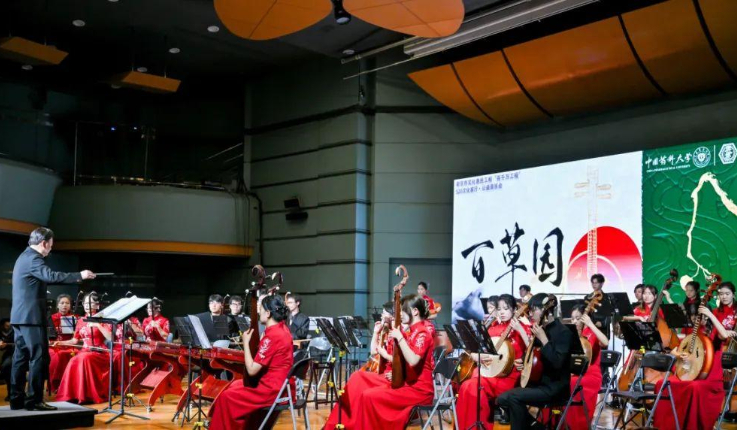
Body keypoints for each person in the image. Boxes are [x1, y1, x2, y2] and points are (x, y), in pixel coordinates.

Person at [9, 227, 95, 411]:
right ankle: (34, 400)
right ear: (44, 243)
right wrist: (79, 275)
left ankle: (16, 400)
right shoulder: (34, 258)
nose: (51, 248)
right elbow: (50, 276)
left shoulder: (23, 256)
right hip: (31, 318)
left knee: (20, 358)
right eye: (51, 245)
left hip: (20, 317)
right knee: (39, 357)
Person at [324, 294, 435, 430]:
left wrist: (400, 338)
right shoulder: (412, 332)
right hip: (406, 383)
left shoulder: (423, 333)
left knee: (368, 396)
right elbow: (402, 362)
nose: (400, 314)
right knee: (358, 380)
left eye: (403, 311)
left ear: (415, 311)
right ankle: (346, 423)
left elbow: (412, 361)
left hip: (419, 390)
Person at [207, 294, 294, 430]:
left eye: (261, 309)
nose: (258, 313)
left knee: (226, 396)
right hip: (283, 386)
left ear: (268, 313)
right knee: (234, 384)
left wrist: (246, 343)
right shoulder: (283, 328)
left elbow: (252, 370)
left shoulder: (273, 335)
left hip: (272, 389)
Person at [497, 293, 573, 430]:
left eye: (533, 310)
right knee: (501, 399)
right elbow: (534, 356)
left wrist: (544, 340)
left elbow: (558, 363)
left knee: (513, 398)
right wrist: (523, 362)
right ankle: (537, 427)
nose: (530, 314)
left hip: (554, 387)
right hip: (538, 383)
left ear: (545, 310)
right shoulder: (540, 329)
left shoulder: (563, 332)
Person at [456, 294, 530, 428]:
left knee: (472, 387)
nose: (502, 312)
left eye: (506, 309)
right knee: (467, 386)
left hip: (507, 376)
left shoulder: (523, 328)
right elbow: (477, 350)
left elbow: (533, 351)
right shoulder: (493, 328)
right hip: (489, 372)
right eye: (499, 309)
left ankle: (479, 426)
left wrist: (520, 330)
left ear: (515, 310)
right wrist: (476, 356)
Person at [55, 292, 121, 404]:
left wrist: (98, 325)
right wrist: (60, 342)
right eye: (85, 303)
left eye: (90, 303)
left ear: (97, 305)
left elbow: (110, 337)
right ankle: (72, 395)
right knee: (73, 360)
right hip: (85, 351)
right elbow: (74, 340)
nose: (87, 305)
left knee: (84, 358)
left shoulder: (103, 319)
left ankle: (87, 395)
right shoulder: (81, 320)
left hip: (100, 352)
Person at [559, 304, 609, 430]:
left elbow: (605, 342)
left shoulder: (592, 332)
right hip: (575, 371)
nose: (574, 321)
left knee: (571, 383)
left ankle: (576, 425)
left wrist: (591, 324)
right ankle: (561, 423)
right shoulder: (573, 333)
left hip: (591, 374)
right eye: (572, 318)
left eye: (578, 318)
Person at [48, 294, 79, 392]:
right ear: (57, 305)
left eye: (67, 303)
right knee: (58, 355)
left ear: (70, 305)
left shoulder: (75, 318)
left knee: (75, 353)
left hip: (69, 344)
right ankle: (56, 384)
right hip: (54, 346)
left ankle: (71, 385)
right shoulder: (51, 318)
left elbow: (76, 338)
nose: (64, 305)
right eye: (62, 303)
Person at [1, 318, 14, 399]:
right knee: (6, 366)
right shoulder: (1, 333)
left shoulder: (15, 331)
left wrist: (7, 345)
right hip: (8, 354)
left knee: (8, 366)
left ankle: (13, 393)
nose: (8, 328)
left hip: (17, 353)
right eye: (6, 326)